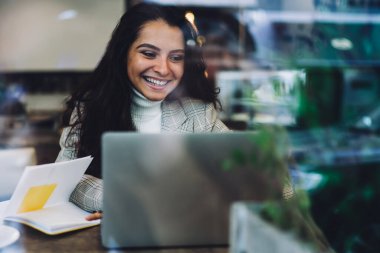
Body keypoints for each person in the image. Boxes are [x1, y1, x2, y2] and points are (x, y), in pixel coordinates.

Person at [55, 2, 229, 220]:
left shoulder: (198, 114)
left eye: (176, 57)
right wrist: (122, 200)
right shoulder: (90, 108)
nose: (163, 69)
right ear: (123, 53)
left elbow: (271, 180)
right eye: (149, 54)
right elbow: (65, 179)